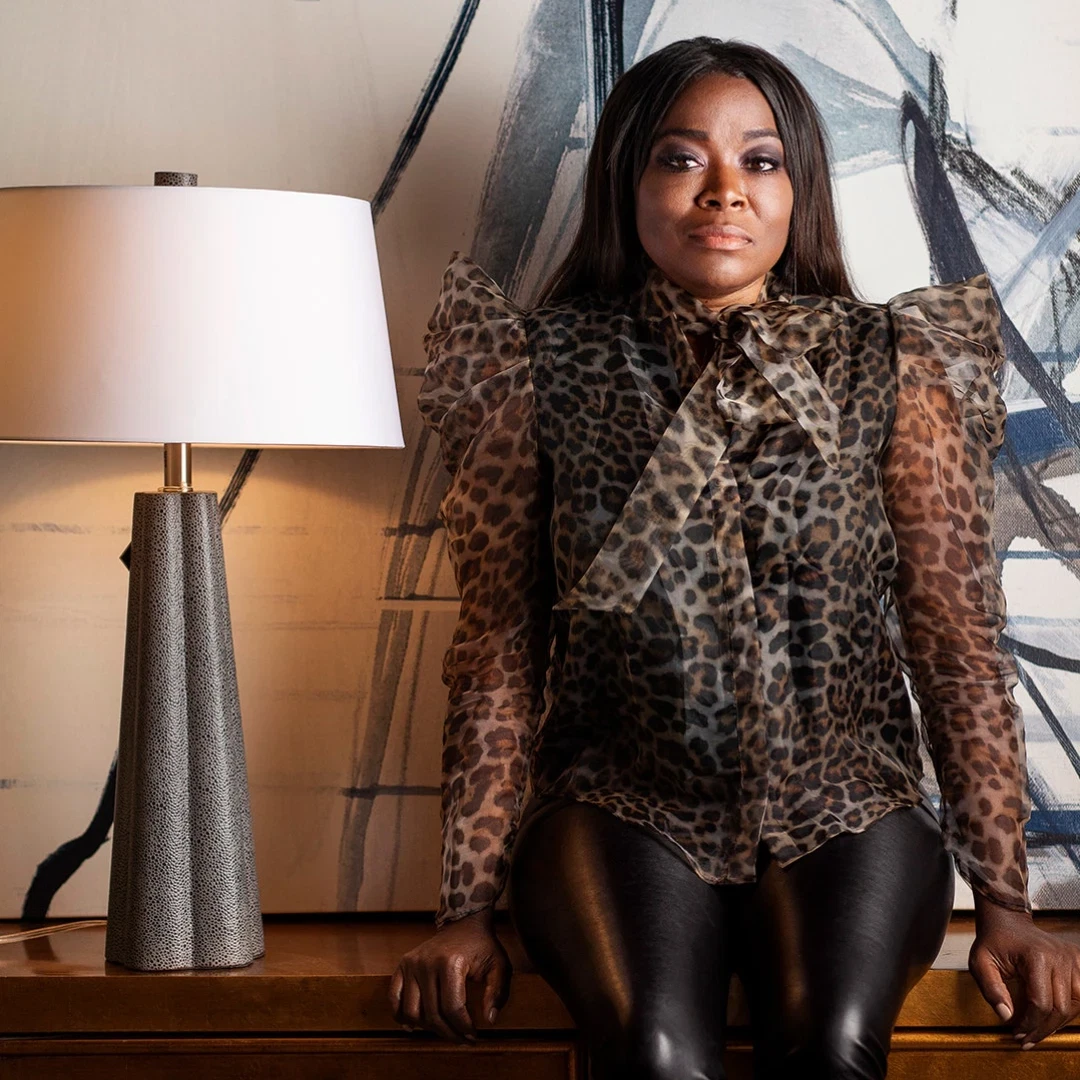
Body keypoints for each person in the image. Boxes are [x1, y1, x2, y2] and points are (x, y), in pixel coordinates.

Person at [390, 36, 1080, 1079]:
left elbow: (956, 642)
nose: (724, 192)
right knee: (653, 1054)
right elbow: (497, 654)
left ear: (799, 186)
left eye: (760, 161)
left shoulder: (893, 367)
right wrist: (465, 909)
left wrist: (1007, 904)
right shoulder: (536, 368)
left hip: (850, 805)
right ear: (627, 180)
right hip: (619, 804)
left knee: (833, 1042)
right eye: (680, 159)